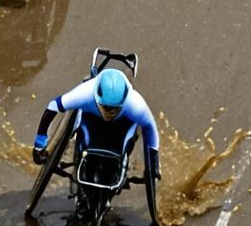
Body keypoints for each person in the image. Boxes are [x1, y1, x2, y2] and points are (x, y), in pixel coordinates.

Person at [32, 63, 160, 217]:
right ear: (96, 97)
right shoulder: (84, 93)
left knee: (130, 138)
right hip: (91, 118)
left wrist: (153, 164)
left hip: (123, 123)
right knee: (83, 136)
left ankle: (117, 174)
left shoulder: (135, 104)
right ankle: (81, 169)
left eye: (114, 109)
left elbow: (150, 129)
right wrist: (40, 144)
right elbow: (53, 107)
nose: (110, 113)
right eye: (106, 108)